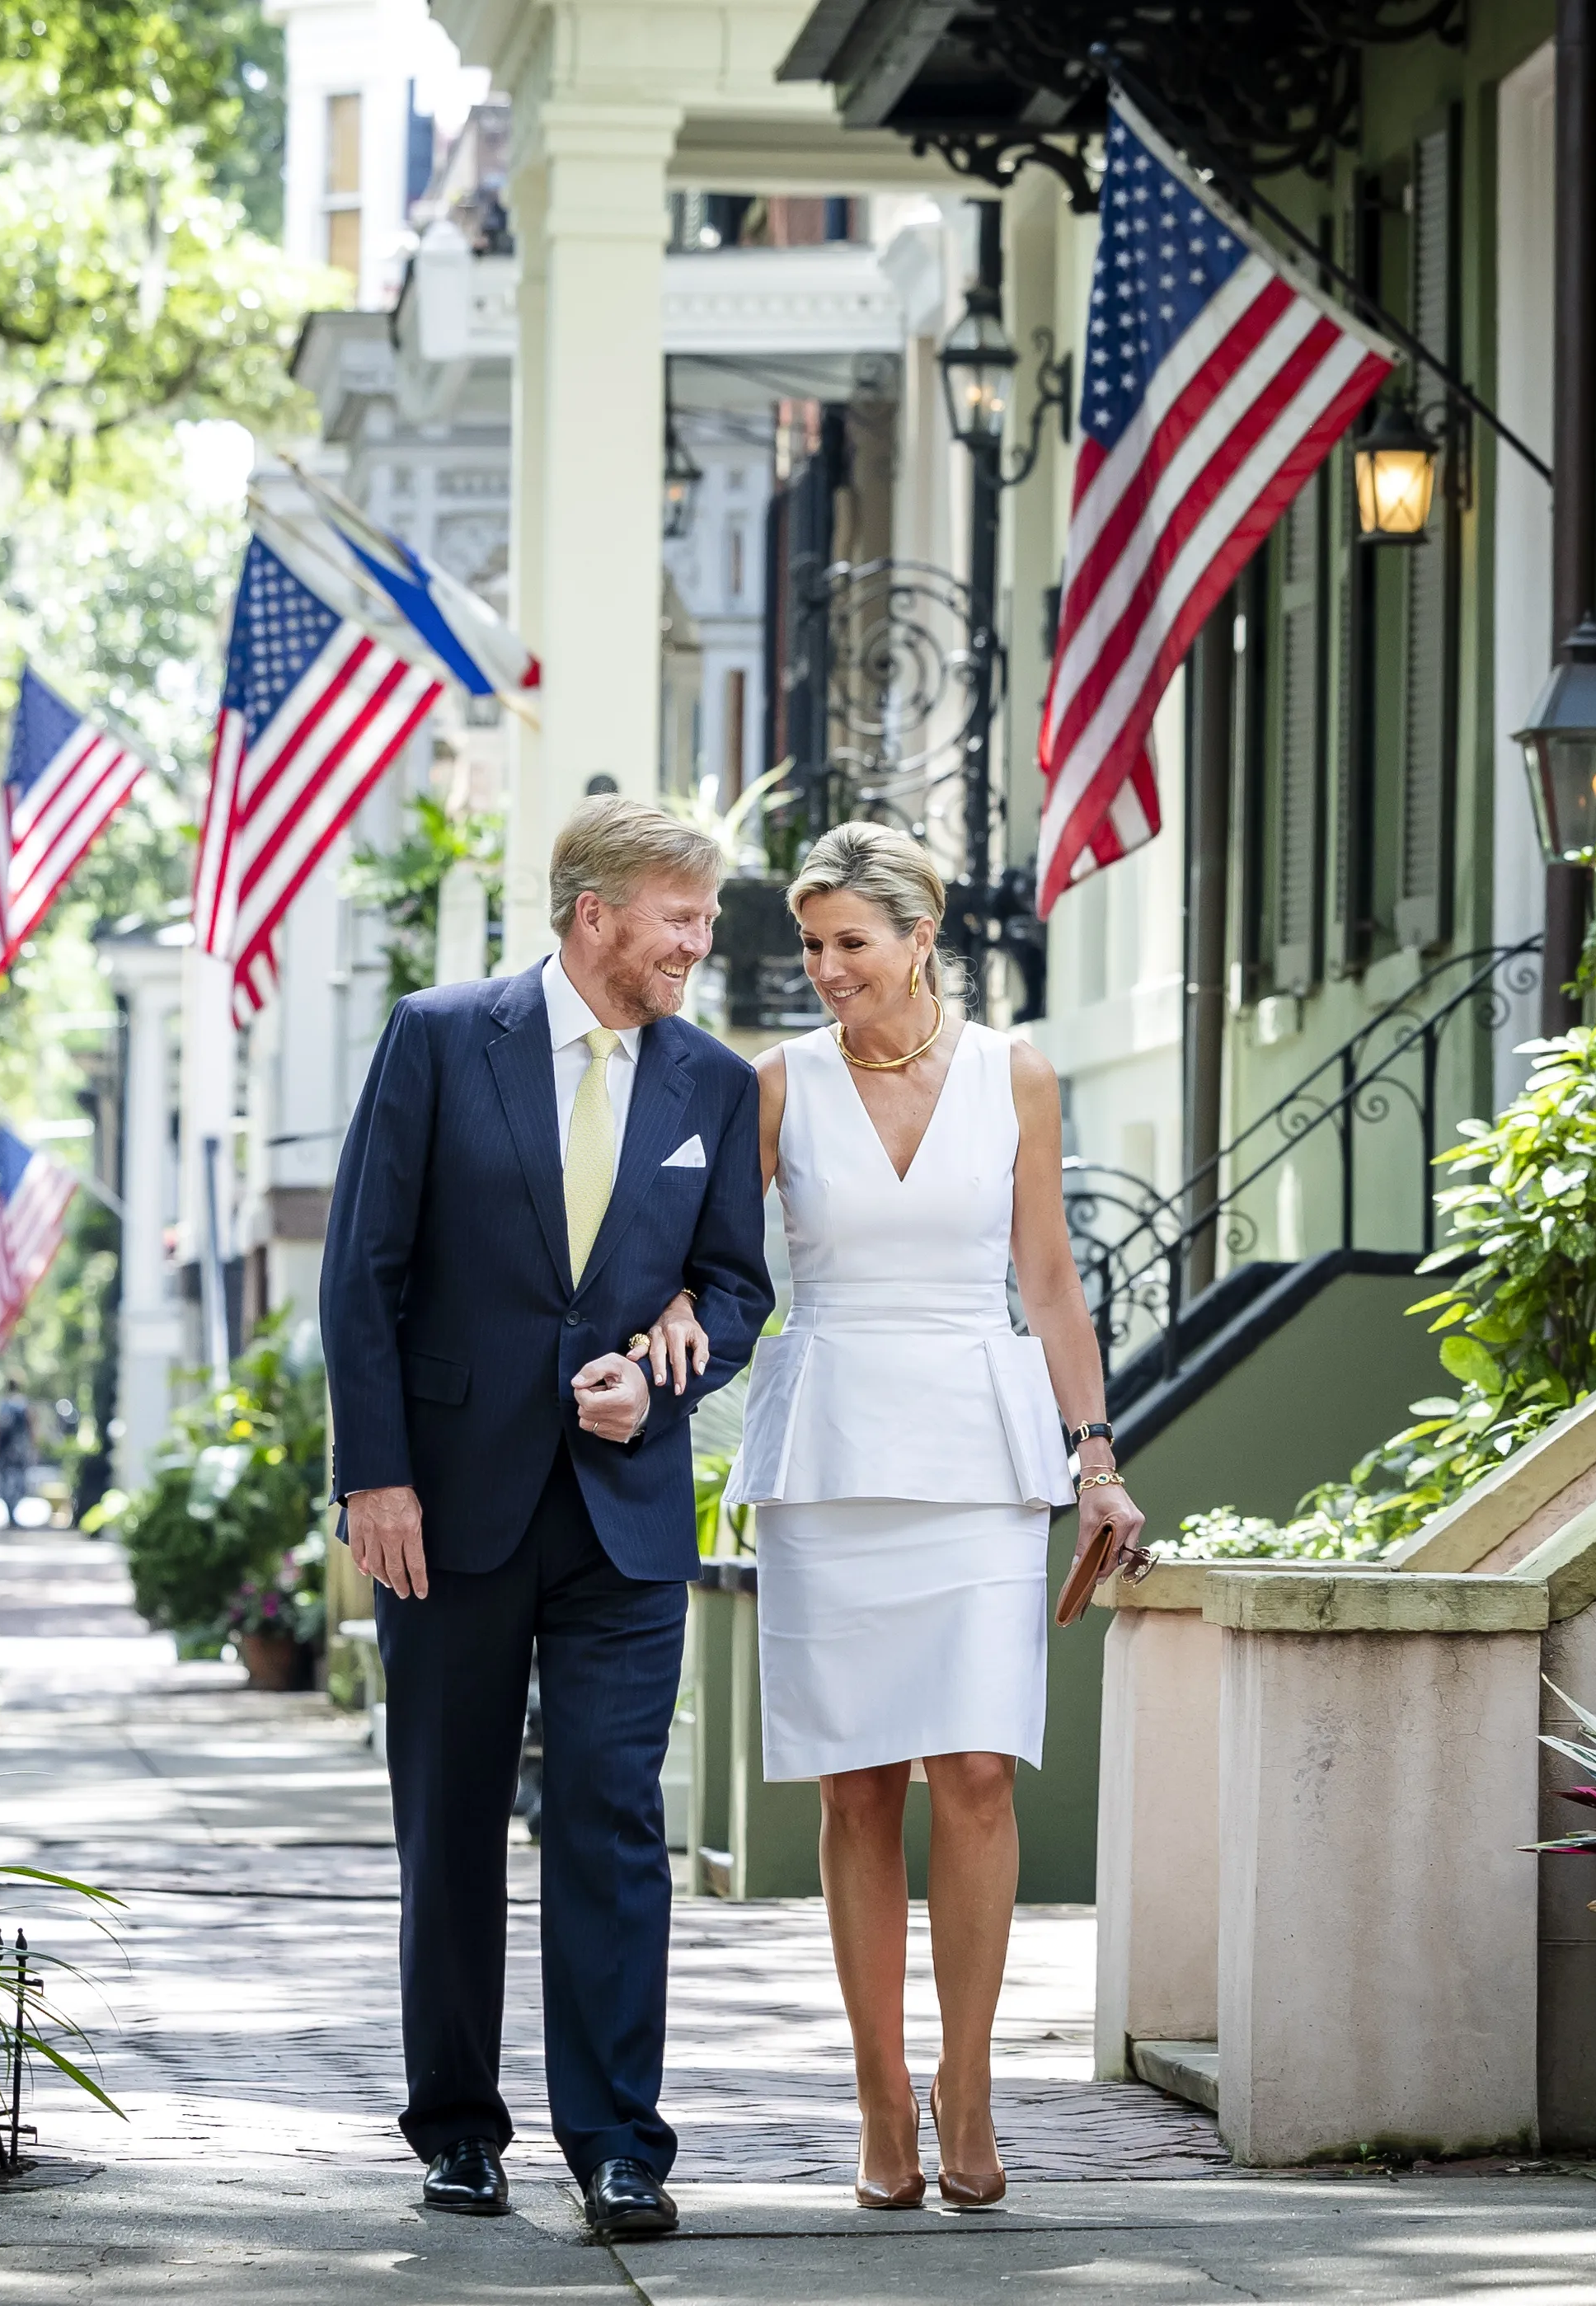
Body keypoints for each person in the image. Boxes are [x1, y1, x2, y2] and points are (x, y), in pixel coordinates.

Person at [323, 796, 774, 2239]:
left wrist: (654, 1375)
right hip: (443, 1509)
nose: (700, 944)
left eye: (705, 919)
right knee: (450, 1820)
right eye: (681, 919)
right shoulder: (444, 1035)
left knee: (610, 1819)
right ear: (596, 915)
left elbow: (736, 1286)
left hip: (624, 1519)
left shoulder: (711, 1078)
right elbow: (363, 1271)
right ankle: (456, 2125)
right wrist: (375, 1475)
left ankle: (621, 2145)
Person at [729, 823, 1148, 2212]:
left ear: (923, 937)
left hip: (979, 1451)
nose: (828, 968)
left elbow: (1048, 1279)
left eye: (853, 941)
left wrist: (1096, 1457)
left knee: (975, 1772)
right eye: (813, 945)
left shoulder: (1014, 1074)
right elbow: (722, 1269)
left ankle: (969, 2085)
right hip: (832, 1445)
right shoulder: (776, 1085)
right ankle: (880, 2100)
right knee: (856, 1784)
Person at [0, 1383, 37, 1516]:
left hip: (5, 1450)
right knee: (19, 1481)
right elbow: (32, 1428)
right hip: (21, 1450)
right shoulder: (24, 1405)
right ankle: (14, 1509)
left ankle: (10, 1510)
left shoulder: (2, 1405)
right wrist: (33, 1448)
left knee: (5, 1481)